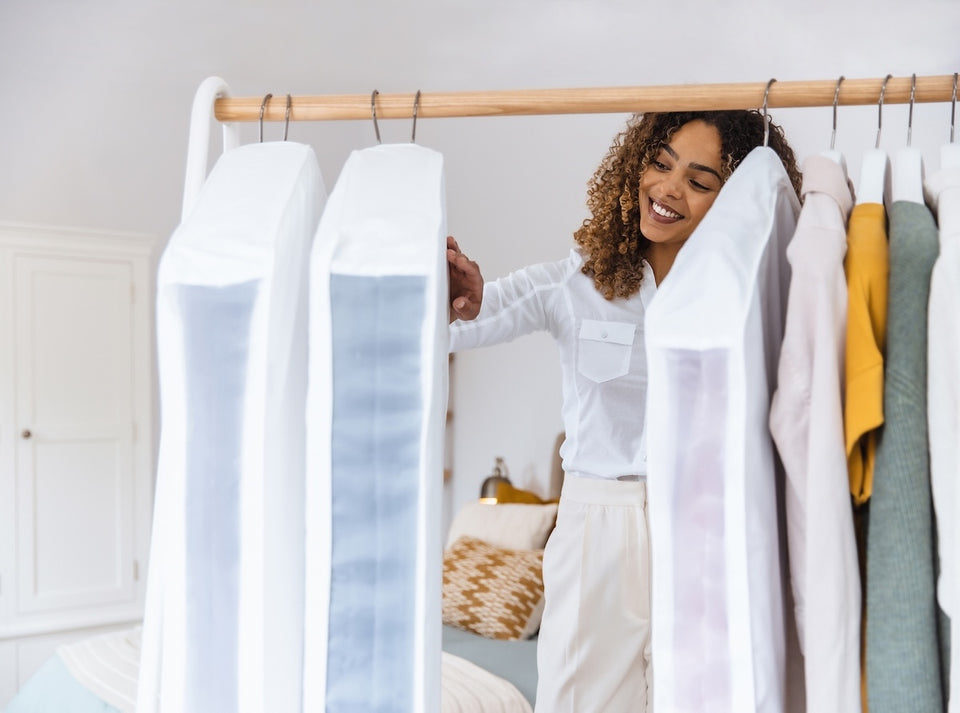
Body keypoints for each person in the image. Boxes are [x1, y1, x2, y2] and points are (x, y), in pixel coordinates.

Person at [446, 110, 801, 713]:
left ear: (732, 199)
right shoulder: (576, 284)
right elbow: (468, 321)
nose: (669, 188)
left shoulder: (746, 297)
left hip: (701, 522)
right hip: (598, 528)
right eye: (660, 164)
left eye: (699, 180)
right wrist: (463, 301)